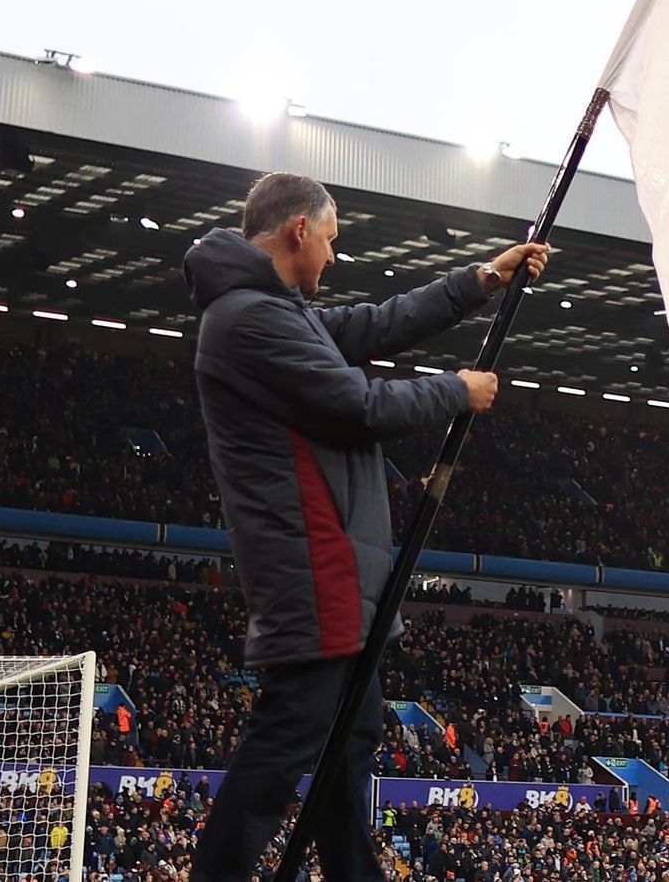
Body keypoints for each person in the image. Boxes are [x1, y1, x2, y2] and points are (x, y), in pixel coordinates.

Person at [181, 171, 548, 882]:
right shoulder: (248, 320)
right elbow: (357, 405)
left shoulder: (278, 311)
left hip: (337, 569)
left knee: (349, 747)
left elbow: (375, 325)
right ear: (297, 231)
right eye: (330, 238)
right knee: (287, 747)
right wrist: (456, 391)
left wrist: (480, 280)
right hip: (313, 565)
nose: (332, 254)